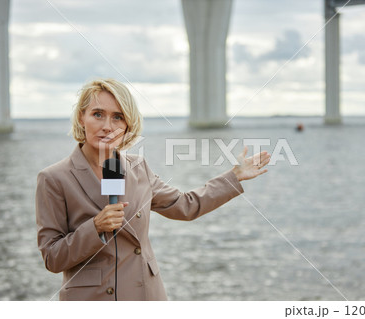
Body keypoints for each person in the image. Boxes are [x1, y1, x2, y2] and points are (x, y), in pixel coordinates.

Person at [35, 78, 271, 301]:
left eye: (117, 117)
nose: (108, 126)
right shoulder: (54, 178)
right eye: (98, 114)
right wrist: (95, 227)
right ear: (81, 117)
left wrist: (234, 177)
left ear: (127, 125)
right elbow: (52, 259)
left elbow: (186, 206)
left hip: (145, 296)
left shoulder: (139, 168)